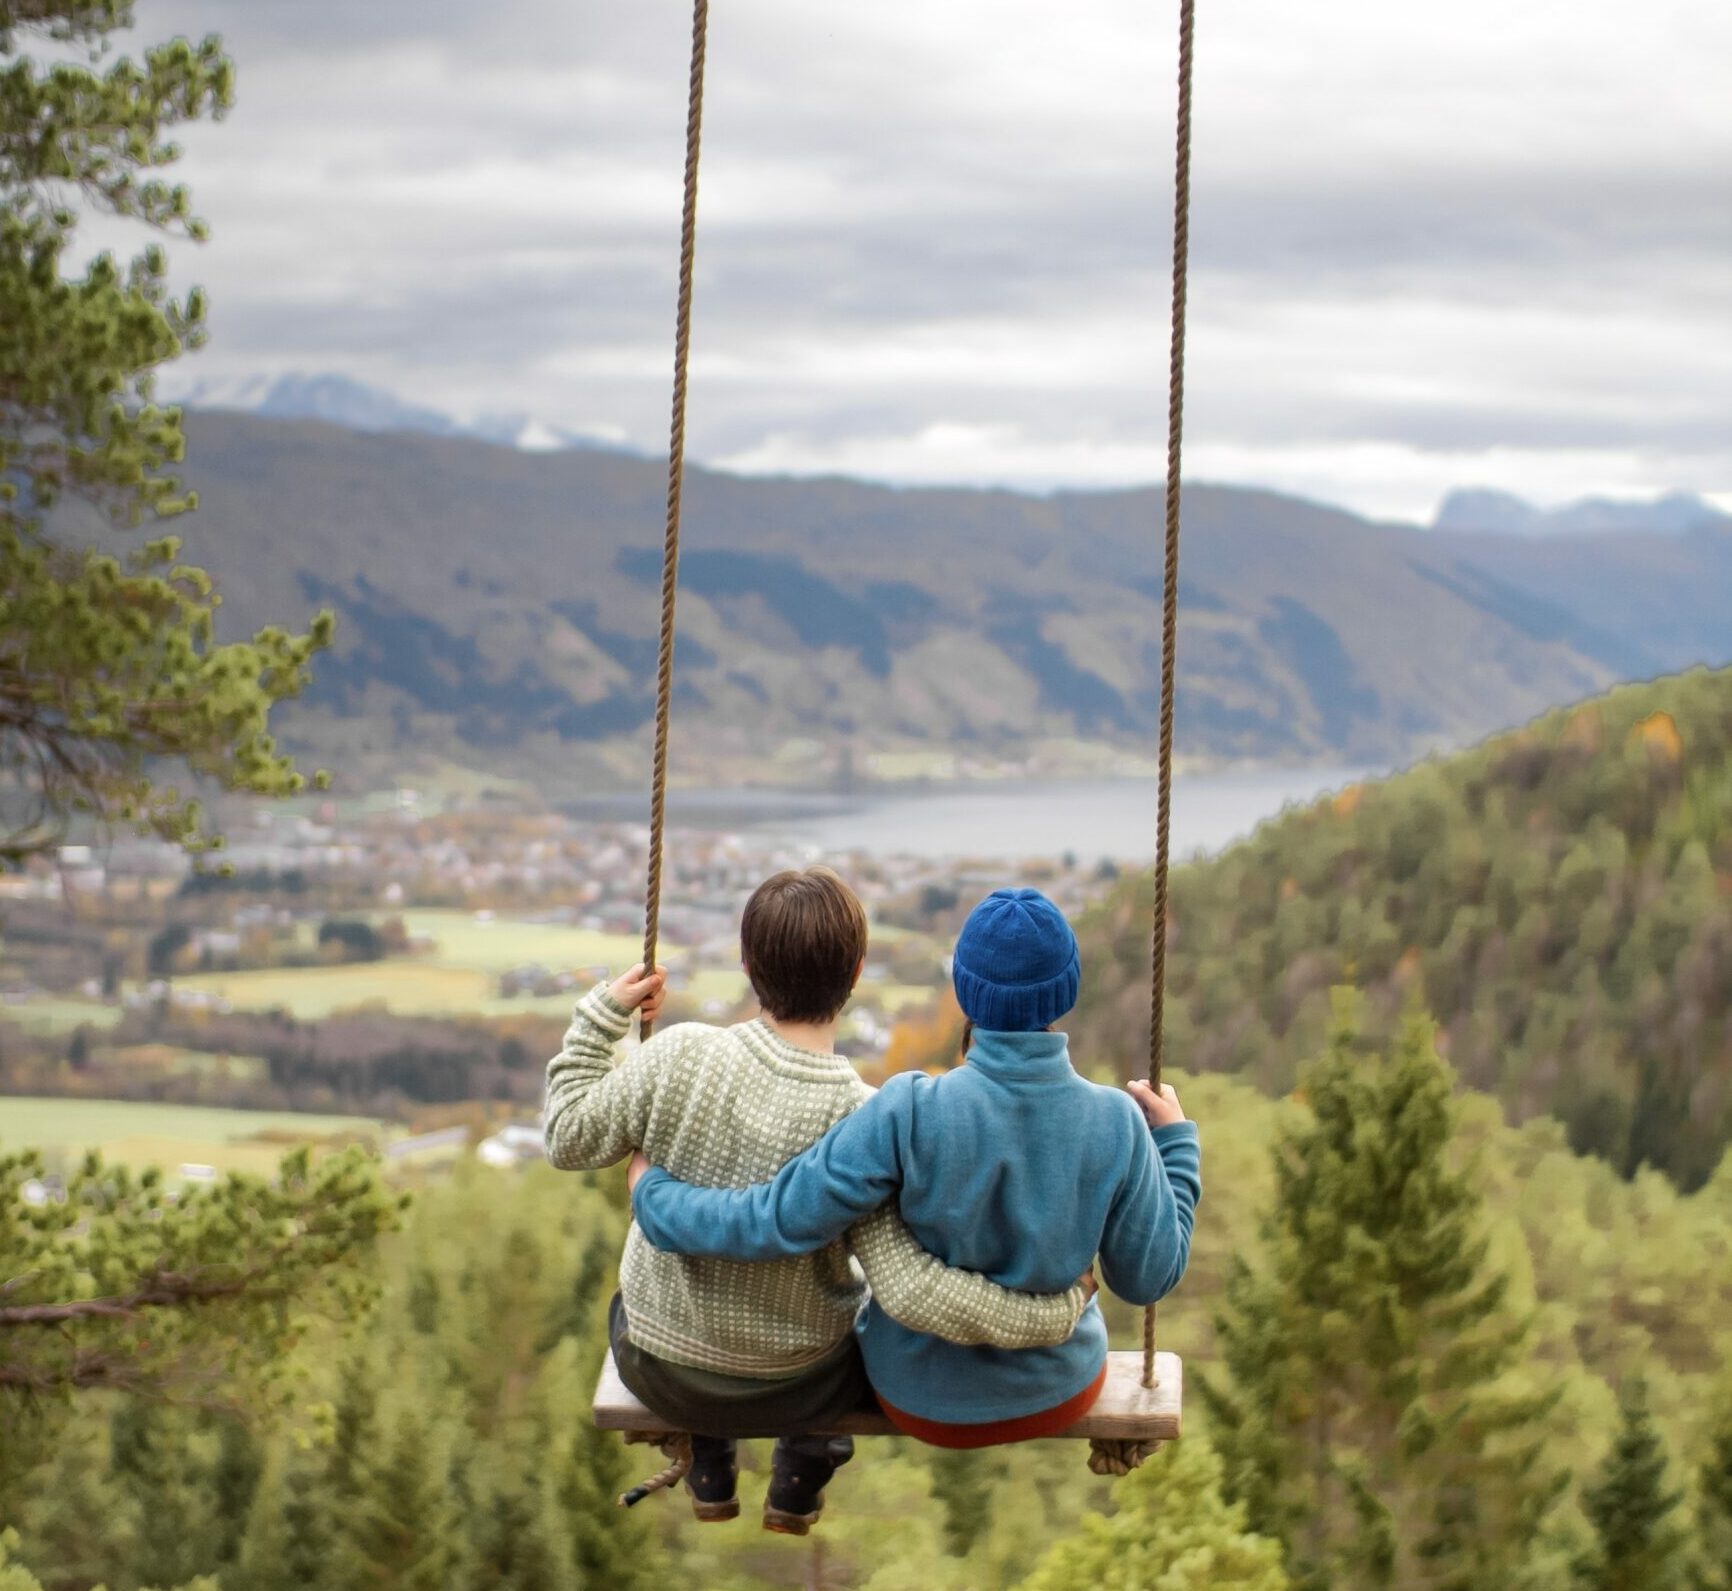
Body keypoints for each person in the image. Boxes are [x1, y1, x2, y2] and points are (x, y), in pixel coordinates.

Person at [543, 867, 1089, 1534]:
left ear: (747, 965)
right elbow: (911, 1291)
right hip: (796, 1384)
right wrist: (1052, 1313)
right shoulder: (866, 1119)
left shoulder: (678, 1055)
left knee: (643, 1304)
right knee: (859, 1325)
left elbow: (567, 1136)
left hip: (658, 1365)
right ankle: (805, 1461)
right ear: (855, 973)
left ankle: (707, 1449)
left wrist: (602, 1017)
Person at [630, 886, 1201, 1449]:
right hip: (1061, 1391)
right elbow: (1146, 1279)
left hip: (918, 1400)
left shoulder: (907, 1110)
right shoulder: (1115, 1121)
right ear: (1065, 994)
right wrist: (1174, 1143)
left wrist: (654, 1196)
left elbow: (778, 1218)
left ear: (965, 991)